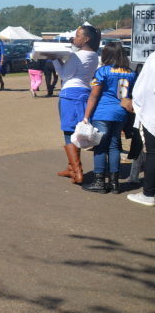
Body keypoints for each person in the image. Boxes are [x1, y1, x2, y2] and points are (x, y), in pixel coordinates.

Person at [46, 25, 101, 184]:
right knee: (73, 130)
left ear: (86, 38)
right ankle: (71, 167)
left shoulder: (78, 56)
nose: (74, 38)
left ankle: (77, 170)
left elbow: (64, 75)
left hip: (70, 94)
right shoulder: (94, 55)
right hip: (83, 92)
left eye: (77, 36)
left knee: (68, 131)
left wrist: (55, 60)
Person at [80, 42, 136, 194]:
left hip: (103, 112)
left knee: (100, 147)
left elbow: (94, 95)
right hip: (121, 113)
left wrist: (86, 116)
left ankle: (99, 181)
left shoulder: (103, 71)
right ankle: (115, 183)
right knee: (115, 146)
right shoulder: (131, 73)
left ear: (107, 54)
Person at [123, 50, 155, 207]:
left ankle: (149, 193)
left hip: (152, 113)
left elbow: (143, 89)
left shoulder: (153, 58)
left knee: (153, 153)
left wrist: (134, 104)